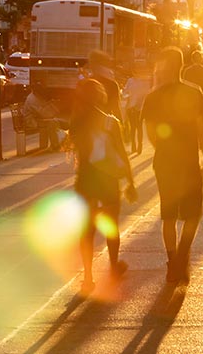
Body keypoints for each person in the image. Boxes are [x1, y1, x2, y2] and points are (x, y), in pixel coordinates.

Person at [142, 47, 203, 283]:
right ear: (182, 66)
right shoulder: (194, 92)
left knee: (168, 215)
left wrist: (163, 147)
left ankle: (173, 262)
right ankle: (182, 255)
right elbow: (202, 129)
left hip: (164, 162)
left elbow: (150, 133)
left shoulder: (152, 96)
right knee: (193, 214)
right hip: (189, 161)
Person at [70, 78, 137, 294]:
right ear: (100, 96)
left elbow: (78, 152)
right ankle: (114, 265)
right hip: (108, 181)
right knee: (111, 225)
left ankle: (88, 277)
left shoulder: (77, 123)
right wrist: (130, 181)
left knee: (86, 230)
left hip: (86, 182)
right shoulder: (111, 122)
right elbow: (121, 153)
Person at [122, 63, 152, 154]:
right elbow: (125, 92)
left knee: (137, 128)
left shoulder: (141, 81)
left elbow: (125, 93)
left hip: (138, 107)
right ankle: (135, 145)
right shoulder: (131, 81)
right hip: (133, 107)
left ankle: (138, 145)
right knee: (135, 128)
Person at [23, 84, 62, 150]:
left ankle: (45, 145)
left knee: (50, 122)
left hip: (36, 119)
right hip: (31, 121)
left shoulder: (35, 96)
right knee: (51, 123)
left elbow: (42, 109)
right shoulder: (33, 99)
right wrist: (52, 113)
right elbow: (42, 113)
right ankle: (55, 145)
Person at [88, 50, 123, 122]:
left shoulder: (86, 83)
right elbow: (116, 109)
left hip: (90, 125)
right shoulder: (112, 85)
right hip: (105, 125)